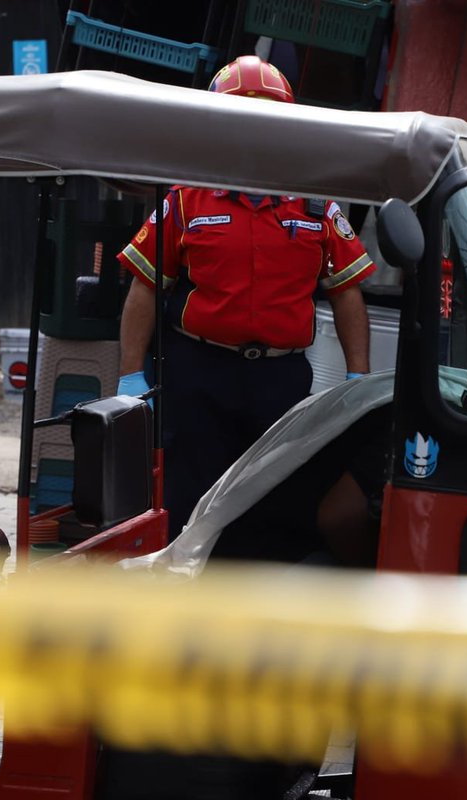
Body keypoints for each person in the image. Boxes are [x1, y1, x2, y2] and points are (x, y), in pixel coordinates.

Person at [115, 55, 376, 541]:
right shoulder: (185, 199)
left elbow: (346, 294)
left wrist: (358, 376)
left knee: (272, 501)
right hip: (198, 375)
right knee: (189, 499)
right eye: (240, 118)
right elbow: (145, 287)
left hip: (280, 380)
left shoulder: (316, 204)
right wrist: (131, 375)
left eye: (266, 118)